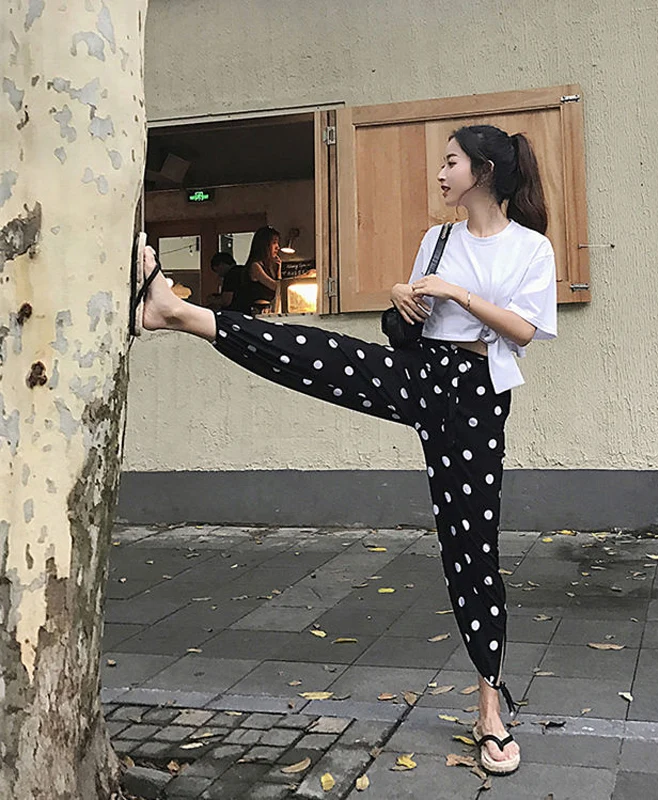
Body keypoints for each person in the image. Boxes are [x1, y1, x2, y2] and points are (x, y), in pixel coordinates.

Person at [134, 124, 557, 775]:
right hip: (423, 373)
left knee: (471, 546)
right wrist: (402, 300)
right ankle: (182, 314)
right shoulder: (437, 239)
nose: (440, 174)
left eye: (450, 163)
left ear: (485, 171)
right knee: (326, 355)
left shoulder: (529, 247)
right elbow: (411, 329)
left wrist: (457, 294)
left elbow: (524, 331)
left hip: (477, 394)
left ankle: (489, 708)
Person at [237, 226, 282, 314]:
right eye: (274, 243)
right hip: (258, 310)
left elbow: (279, 288)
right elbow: (275, 286)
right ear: (264, 245)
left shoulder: (270, 266)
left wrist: (278, 269)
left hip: (269, 309)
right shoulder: (255, 266)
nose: (278, 247)